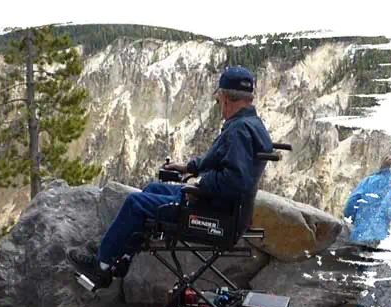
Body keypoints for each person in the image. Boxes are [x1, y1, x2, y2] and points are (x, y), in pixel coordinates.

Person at [67, 66, 273, 292]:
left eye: (218, 98)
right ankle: (123, 256)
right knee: (153, 188)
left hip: (212, 213)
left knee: (135, 203)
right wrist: (190, 167)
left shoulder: (238, 131)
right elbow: (224, 159)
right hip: (220, 207)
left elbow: (235, 180)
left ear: (225, 98)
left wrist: (199, 183)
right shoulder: (252, 124)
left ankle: (102, 266)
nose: (218, 104)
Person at [343, 151, 391, 307]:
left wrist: (359, 222)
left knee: (366, 287)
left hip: (362, 238)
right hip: (382, 241)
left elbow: (350, 206)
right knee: (387, 290)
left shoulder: (369, 180)